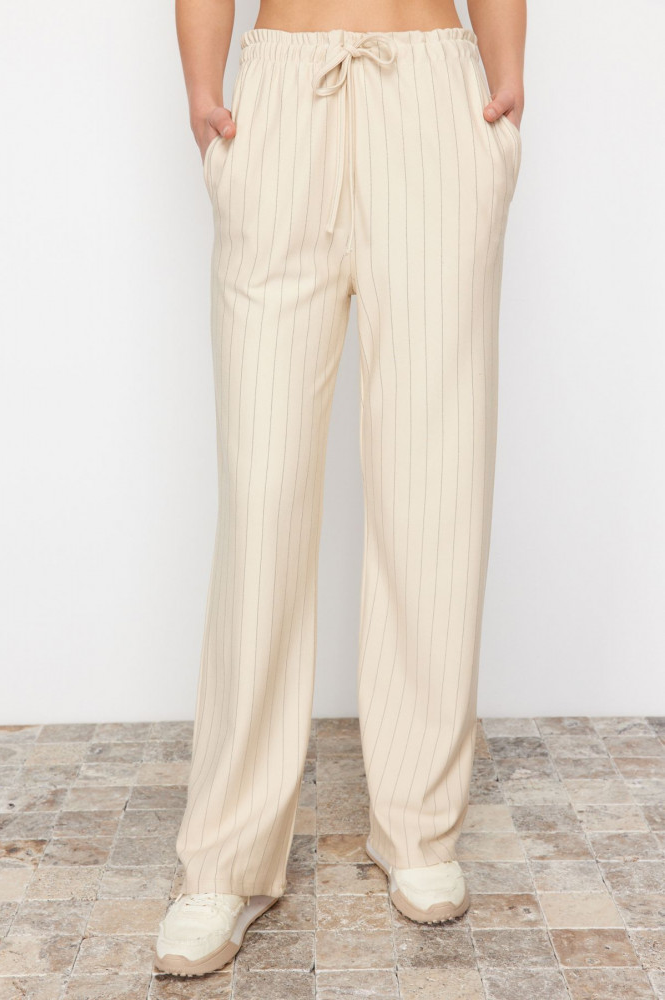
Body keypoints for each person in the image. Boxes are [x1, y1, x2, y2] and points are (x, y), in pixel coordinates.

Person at [155, 0, 525, 977]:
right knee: (262, 492)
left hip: (433, 99)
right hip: (282, 100)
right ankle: (224, 856)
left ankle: (421, 825)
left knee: (435, 481)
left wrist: (505, 81)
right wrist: (203, 88)